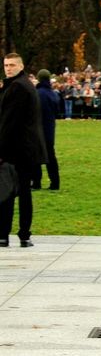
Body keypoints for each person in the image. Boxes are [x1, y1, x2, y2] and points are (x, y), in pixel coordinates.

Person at [0, 53, 47, 247]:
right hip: (27, 149)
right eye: (5, 65)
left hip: (16, 149)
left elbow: (8, 122)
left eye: (11, 65)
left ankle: (4, 234)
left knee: (7, 192)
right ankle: (24, 234)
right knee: (24, 193)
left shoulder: (17, 87)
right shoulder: (23, 84)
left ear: (20, 66)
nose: (8, 68)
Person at [32, 69, 60, 191]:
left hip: (37, 128)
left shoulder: (36, 93)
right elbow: (58, 111)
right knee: (50, 156)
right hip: (50, 129)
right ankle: (55, 182)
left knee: (35, 156)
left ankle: (36, 182)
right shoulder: (54, 94)